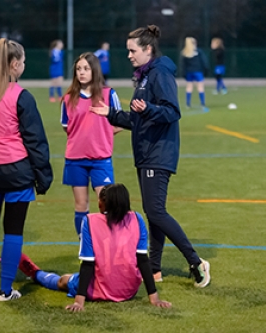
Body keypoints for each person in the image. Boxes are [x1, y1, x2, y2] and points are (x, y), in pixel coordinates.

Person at [89, 25, 211, 288]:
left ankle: (196, 261)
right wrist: (110, 113)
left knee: (155, 211)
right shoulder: (144, 76)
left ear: (147, 49)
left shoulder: (159, 73)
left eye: (133, 50)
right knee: (154, 211)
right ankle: (154, 268)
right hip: (146, 152)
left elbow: (171, 112)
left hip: (158, 151)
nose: (129, 55)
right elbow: (137, 118)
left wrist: (150, 109)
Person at [0, 38, 53, 301]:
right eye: (23, 62)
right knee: (13, 230)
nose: (23, 66)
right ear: (15, 64)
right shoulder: (21, 96)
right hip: (16, 173)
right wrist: (43, 177)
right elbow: (35, 141)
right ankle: (5, 290)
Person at [19, 183, 171, 311]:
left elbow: (88, 264)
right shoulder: (137, 219)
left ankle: (36, 273)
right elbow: (143, 260)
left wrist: (79, 301)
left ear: (103, 203)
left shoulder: (90, 221)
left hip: (98, 290)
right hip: (128, 291)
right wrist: (154, 298)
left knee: (63, 281)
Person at [61, 52, 122, 237]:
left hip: (100, 159)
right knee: (81, 205)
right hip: (75, 159)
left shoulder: (108, 94)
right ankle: (85, 245)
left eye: (86, 68)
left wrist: (101, 134)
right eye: (78, 69)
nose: (82, 72)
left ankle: (106, 243)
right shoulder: (69, 98)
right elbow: (67, 127)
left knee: (105, 204)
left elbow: (120, 122)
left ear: (94, 70)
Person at [181, 37, 209, 112]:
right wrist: (206, 71)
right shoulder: (199, 51)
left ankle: (188, 103)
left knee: (189, 87)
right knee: (200, 87)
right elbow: (204, 62)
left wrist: (184, 73)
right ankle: (202, 103)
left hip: (189, 72)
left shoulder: (185, 52)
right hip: (198, 71)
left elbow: (183, 65)